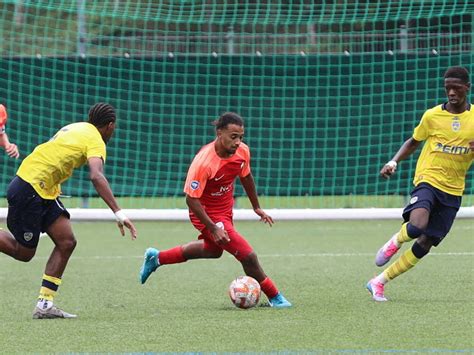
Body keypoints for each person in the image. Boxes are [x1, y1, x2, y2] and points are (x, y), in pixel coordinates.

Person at [139, 112, 291, 308]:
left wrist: (257, 207)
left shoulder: (242, 151)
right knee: (247, 255)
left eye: (241, 137)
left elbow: (246, 177)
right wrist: (212, 227)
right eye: (233, 136)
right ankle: (275, 296)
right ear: (219, 133)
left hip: (225, 210)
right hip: (203, 213)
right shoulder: (203, 162)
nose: (238, 142)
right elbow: (191, 200)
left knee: (213, 251)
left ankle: (157, 258)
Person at [0, 102, 138, 318]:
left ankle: (44, 305)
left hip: (44, 190)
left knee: (66, 242)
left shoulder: (78, 127)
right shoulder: (96, 140)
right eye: (114, 127)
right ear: (110, 126)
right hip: (30, 186)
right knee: (24, 253)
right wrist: (119, 213)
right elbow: (96, 175)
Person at [367, 66, 474, 302]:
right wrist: (393, 161)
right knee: (416, 227)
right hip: (428, 178)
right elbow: (414, 141)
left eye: (456, 88)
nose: (452, 93)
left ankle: (379, 281)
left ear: (467, 87)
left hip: (454, 190)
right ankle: (395, 241)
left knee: (425, 243)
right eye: (448, 88)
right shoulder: (433, 116)